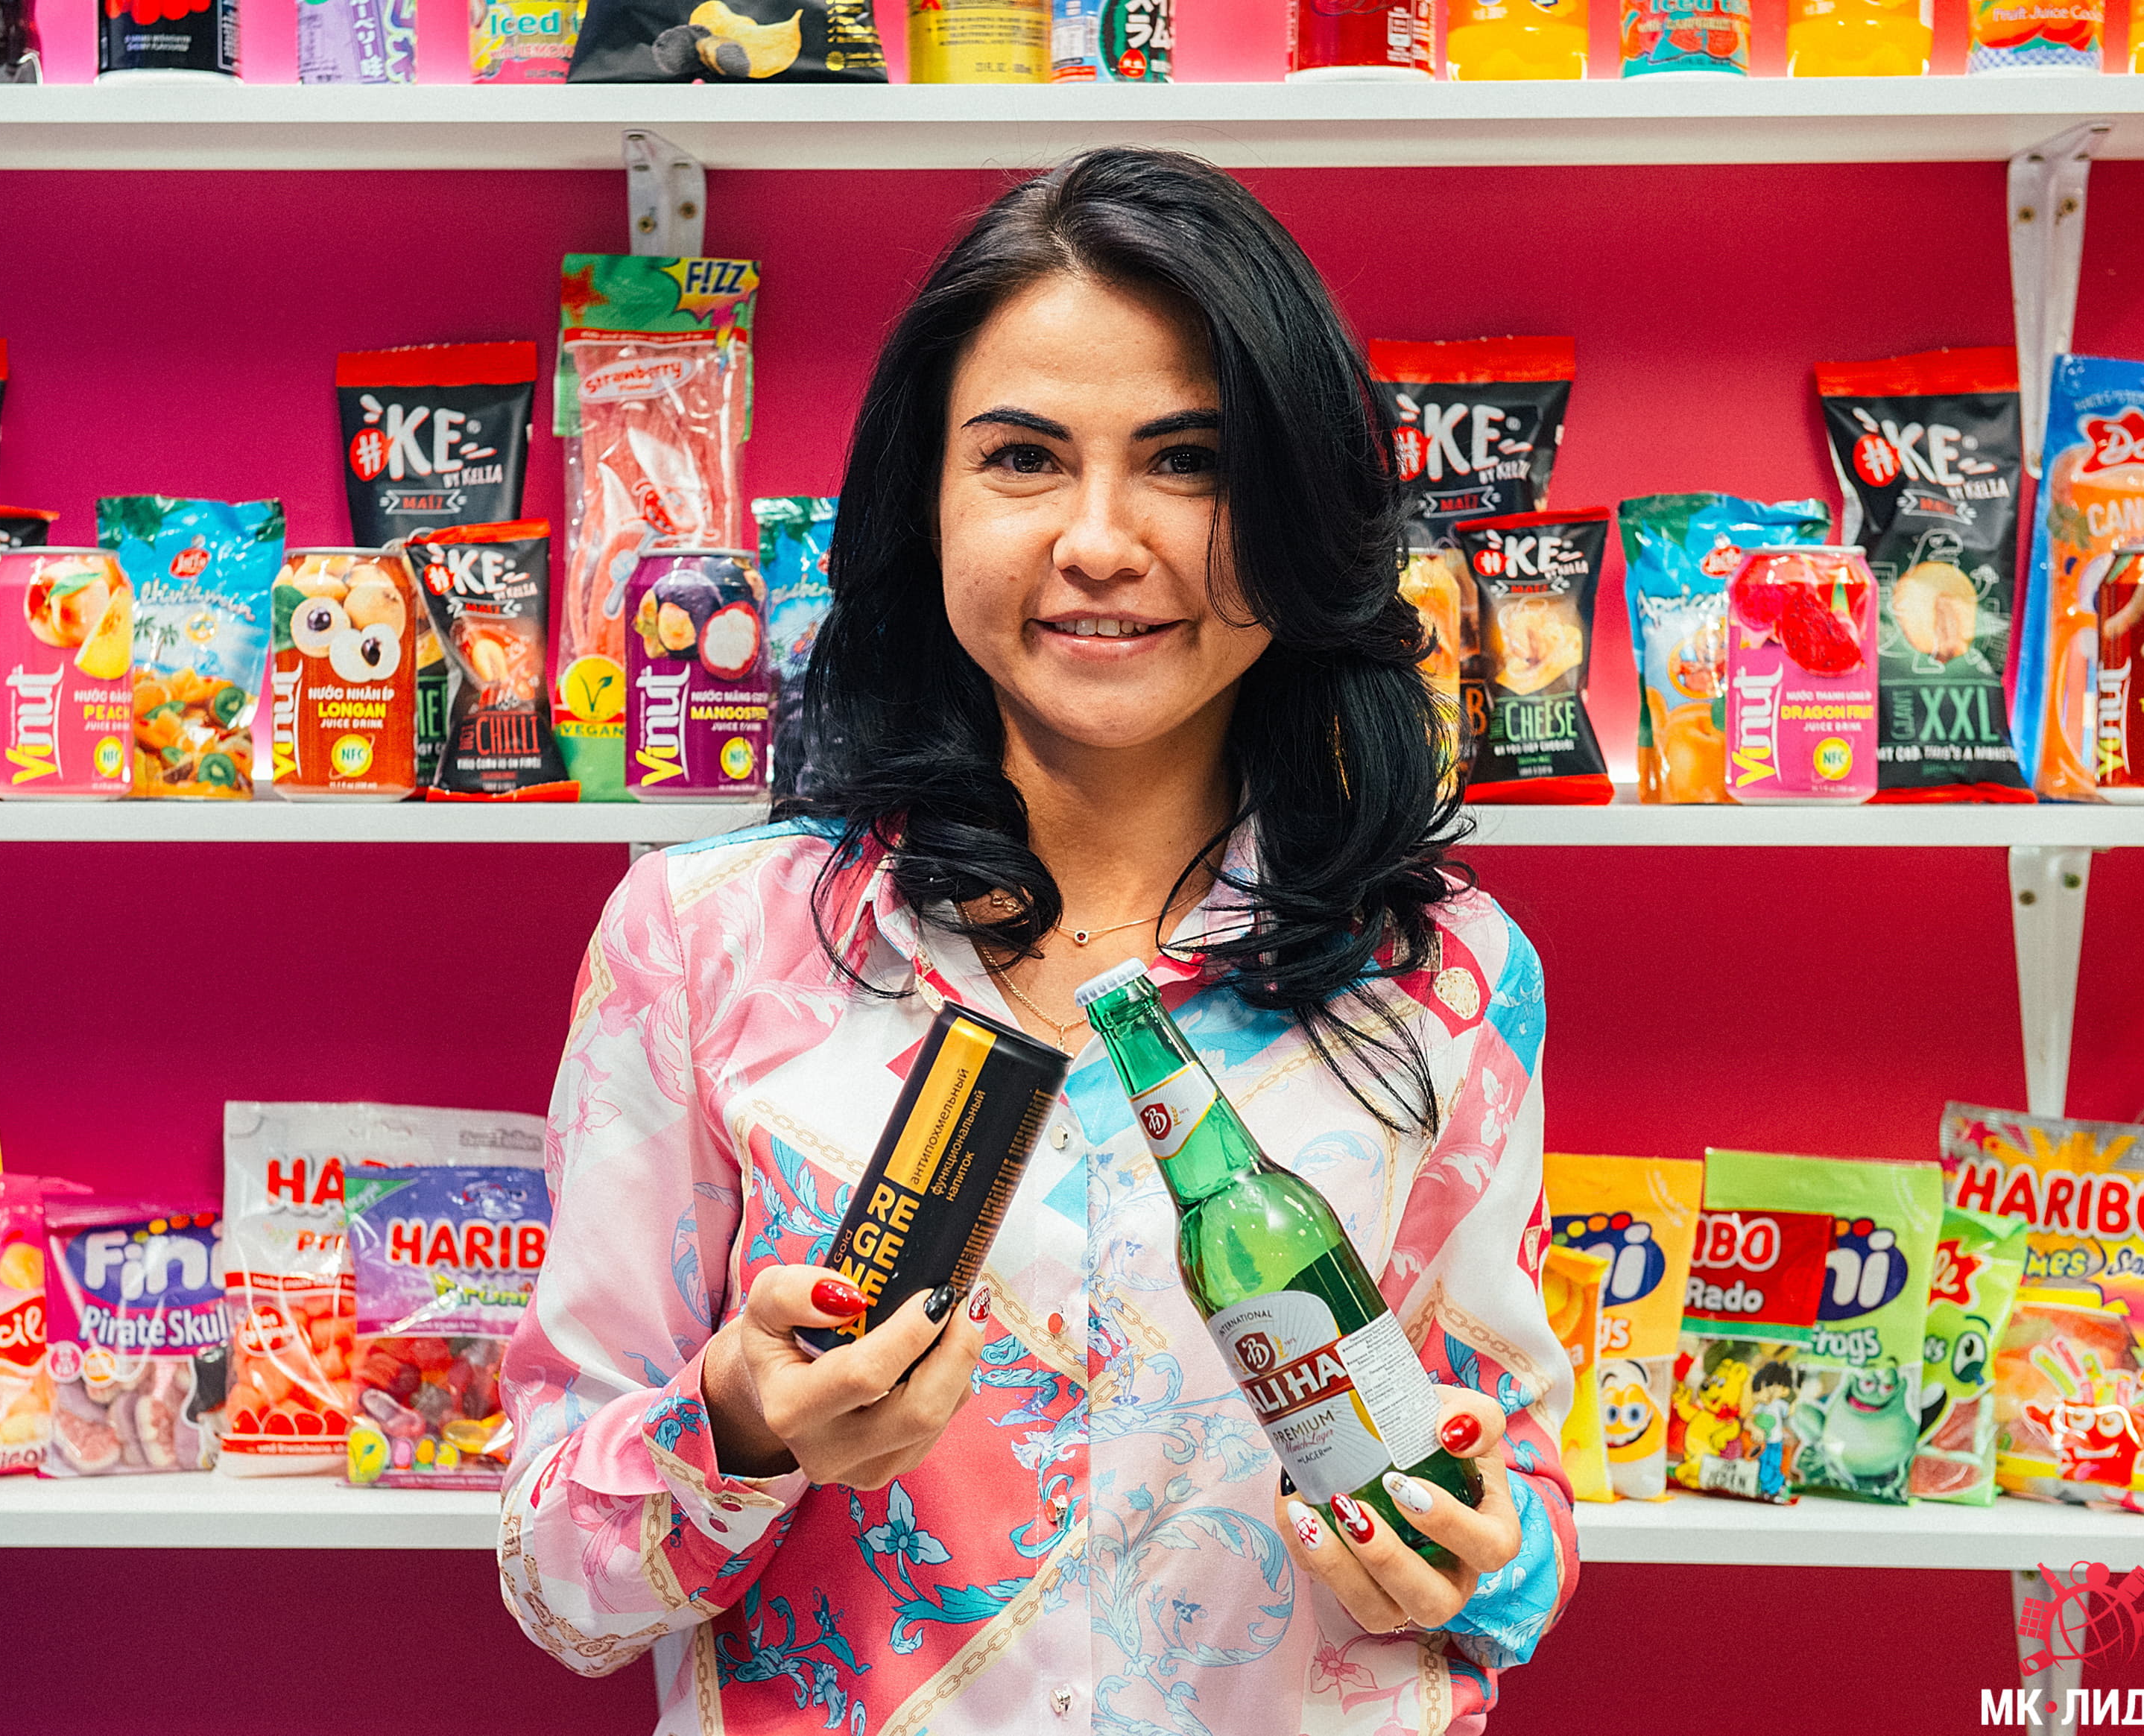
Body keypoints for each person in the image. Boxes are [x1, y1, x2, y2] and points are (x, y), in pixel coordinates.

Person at [499, 147, 1576, 1735]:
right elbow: (558, 1584)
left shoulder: (1445, 977)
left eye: (1188, 461)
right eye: (1021, 457)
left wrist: (1472, 1550)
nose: (1099, 540)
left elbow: (1523, 1533)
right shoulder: (707, 943)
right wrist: (740, 1422)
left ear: (1296, 507)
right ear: (923, 500)